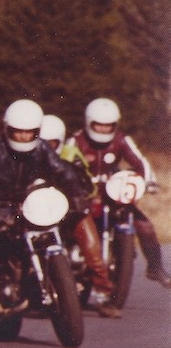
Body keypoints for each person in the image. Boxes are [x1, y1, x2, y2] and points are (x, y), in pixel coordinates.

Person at [0, 99, 116, 315]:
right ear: (7, 129)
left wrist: (76, 195)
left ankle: (94, 281)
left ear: (37, 131)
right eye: (18, 132)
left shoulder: (42, 148)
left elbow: (61, 170)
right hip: (0, 208)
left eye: (29, 132)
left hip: (31, 203)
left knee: (76, 219)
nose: (23, 137)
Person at [65, 98, 170, 288]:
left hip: (112, 192)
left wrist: (149, 181)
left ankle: (155, 268)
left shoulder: (121, 139)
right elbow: (63, 165)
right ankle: (63, 265)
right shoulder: (76, 141)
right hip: (84, 194)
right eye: (99, 125)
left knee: (144, 225)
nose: (104, 130)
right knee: (68, 224)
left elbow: (141, 162)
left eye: (109, 126)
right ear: (89, 122)